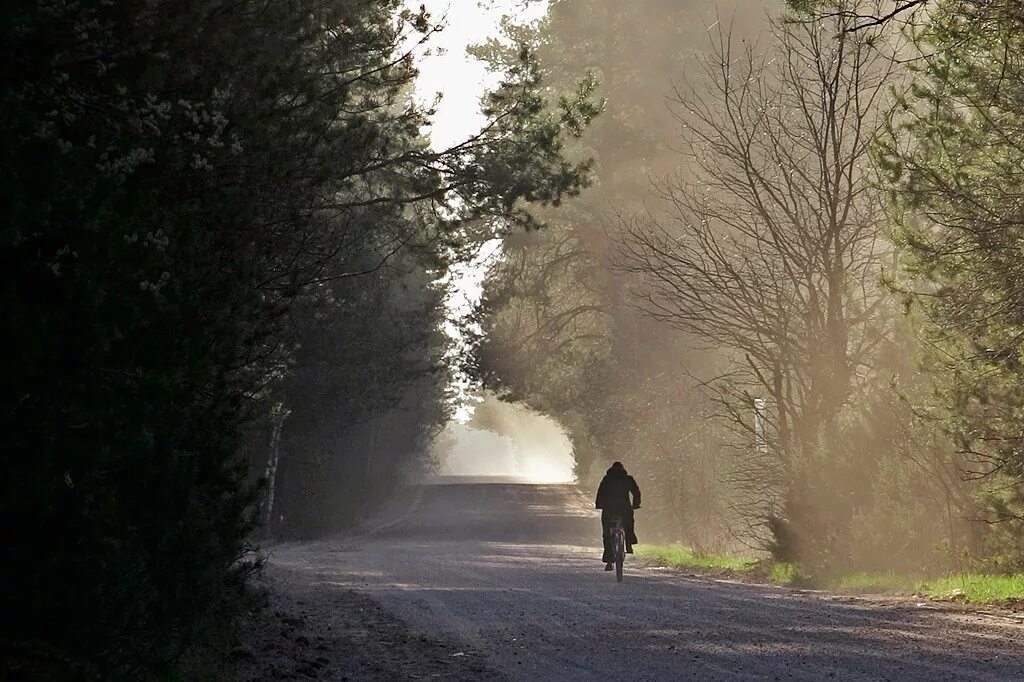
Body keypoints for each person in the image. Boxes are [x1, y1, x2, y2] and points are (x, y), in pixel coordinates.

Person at [595, 461, 641, 570]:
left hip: (609, 509)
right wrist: (636, 504)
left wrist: (599, 505)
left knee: (607, 533)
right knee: (629, 526)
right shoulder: (628, 479)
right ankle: (629, 544)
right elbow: (636, 492)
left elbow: (600, 492)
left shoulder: (607, 479)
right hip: (624, 508)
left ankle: (609, 559)